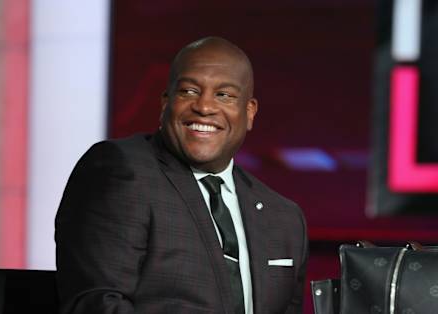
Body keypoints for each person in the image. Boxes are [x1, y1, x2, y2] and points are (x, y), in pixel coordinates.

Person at [55, 37, 308, 314]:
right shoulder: (121, 170)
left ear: (249, 112)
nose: (205, 107)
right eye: (189, 91)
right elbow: (98, 303)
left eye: (224, 95)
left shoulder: (284, 218)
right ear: (166, 102)